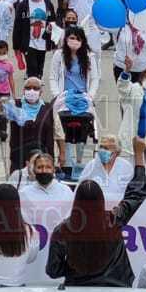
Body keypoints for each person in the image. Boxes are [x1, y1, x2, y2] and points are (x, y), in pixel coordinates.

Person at [46, 138, 146, 287]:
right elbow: (136, 194)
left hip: (78, 291)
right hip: (115, 290)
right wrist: (139, 157)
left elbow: (53, 270)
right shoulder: (113, 219)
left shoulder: (62, 230)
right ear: (101, 200)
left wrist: (74, 268)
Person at [49, 26, 98, 180]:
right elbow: (52, 77)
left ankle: (79, 161)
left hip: (83, 97)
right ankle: (68, 165)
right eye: (71, 38)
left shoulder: (90, 57)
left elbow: (95, 79)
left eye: (77, 38)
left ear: (82, 41)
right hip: (65, 97)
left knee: (86, 127)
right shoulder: (59, 55)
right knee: (64, 130)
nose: (74, 41)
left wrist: (90, 96)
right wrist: (58, 95)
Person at [0, 75, 57, 173]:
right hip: (19, 156)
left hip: (43, 158)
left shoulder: (48, 108)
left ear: (41, 92)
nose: (31, 91)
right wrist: (1, 104)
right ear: (23, 90)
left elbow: (58, 133)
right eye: (28, 88)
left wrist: (61, 154)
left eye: (35, 88)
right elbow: (0, 111)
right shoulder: (15, 105)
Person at [11, 0, 54, 80]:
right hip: (28, 42)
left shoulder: (47, 3)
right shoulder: (23, 5)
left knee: (40, 67)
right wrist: (16, 46)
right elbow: (17, 26)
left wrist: (52, 35)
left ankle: (37, 83)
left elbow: (53, 20)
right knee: (32, 67)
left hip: (43, 41)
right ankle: (31, 86)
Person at [79, 134, 134, 199]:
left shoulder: (126, 167)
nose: (102, 150)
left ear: (116, 152)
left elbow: (132, 192)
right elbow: (79, 189)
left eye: (106, 148)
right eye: (101, 147)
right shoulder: (91, 165)